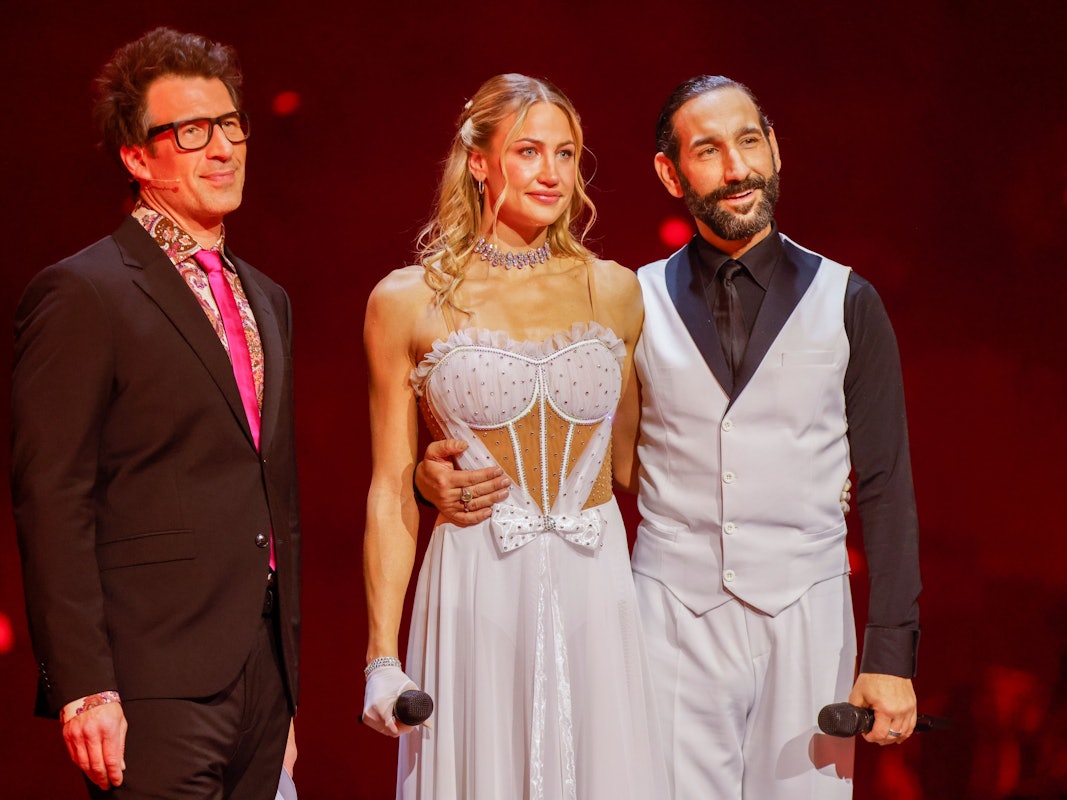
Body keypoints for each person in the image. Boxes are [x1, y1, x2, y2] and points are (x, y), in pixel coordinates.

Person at [416, 74, 922, 799]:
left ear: (774, 148)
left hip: (807, 616)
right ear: (670, 171)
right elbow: (587, 448)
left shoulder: (847, 300)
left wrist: (890, 656)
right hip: (667, 618)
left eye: (749, 141)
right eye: (708, 150)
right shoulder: (630, 298)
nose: (737, 168)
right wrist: (429, 475)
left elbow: (887, 487)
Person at [11, 27, 301, 797]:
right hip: (151, 677)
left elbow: (269, 482)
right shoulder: (84, 292)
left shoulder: (264, 296)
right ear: (138, 158)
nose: (223, 149)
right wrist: (84, 684)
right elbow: (53, 497)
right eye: (192, 133)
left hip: (261, 677)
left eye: (232, 126)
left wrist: (286, 688)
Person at [361, 73, 667, 799]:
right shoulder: (406, 300)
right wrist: (380, 654)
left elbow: (638, 463)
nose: (551, 172)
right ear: (477, 161)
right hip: (474, 581)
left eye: (566, 154)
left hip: (598, 585)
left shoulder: (615, 290)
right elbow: (387, 484)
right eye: (528, 151)